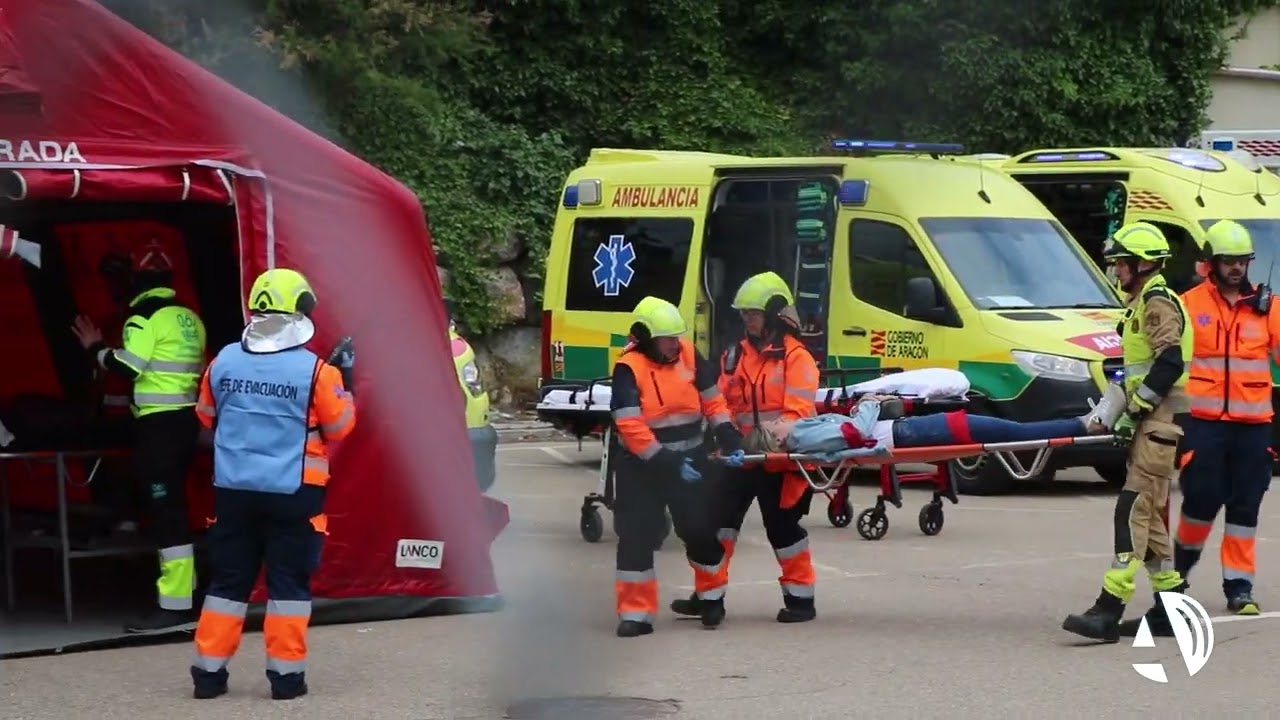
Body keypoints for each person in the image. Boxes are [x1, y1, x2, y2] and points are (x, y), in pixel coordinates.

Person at [189, 268, 356, 700]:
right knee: (287, 587)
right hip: (293, 496)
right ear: (301, 312)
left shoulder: (224, 360)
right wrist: (346, 385)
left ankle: (208, 677)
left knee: (227, 585)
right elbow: (338, 427)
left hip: (233, 493)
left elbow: (206, 415)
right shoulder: (318, 371)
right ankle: (286, 681)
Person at [1061, 222, 1195, 643]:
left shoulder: (1156, 302)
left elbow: (1169, 360)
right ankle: (1173, 609)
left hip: (1159, 423)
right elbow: (1135, 370)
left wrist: (1135, 409)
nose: (1116, 270)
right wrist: (1115, 410)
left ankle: (1108, 608)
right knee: (1149, 517)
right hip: (1151, 422)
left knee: (1132, 510)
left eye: (1121, 263)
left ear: (1142, 263)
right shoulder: (1141, 304)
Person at [670, 271, 822, 624]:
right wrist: (718, 436)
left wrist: (751, 441)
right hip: (740, 458)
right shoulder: (735, 356)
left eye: (751, 313)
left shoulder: (796, 358)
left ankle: (801, 600)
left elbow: (795, 415)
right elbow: (719, 402)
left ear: (772, 314)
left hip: (780, 460)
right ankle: (709, 596)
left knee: (783, 529)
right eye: (743, 314)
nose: (745, 320)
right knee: (718, 525)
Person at [71, 240, 208, 633]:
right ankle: (189, 594)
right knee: (176, 508)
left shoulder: (141, 317)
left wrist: (95, 348)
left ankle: (175, 604)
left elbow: (127, 368)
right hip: (185, 422)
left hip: (157, 427)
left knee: (167, 514)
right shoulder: (189, 318)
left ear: (135, 281)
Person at [1160, 219, 1280, 622]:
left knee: (1245, 509)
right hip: (1202, 423)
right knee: (1201, 501)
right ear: (1209, 263)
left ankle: (1239, 587)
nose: (1236, 268)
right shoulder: (1189, 305)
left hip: (1254, 427)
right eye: (1228, 261)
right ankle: (1179, 575)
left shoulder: (1269, 308)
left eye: (1242, 261)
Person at [610, 295, 743, 637]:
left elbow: (713, 399)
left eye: (676, 336)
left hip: (691, 461)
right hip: (642, 467)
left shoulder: (687, 353)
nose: (676, 343)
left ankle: (712, 598)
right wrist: (665, 460)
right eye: (668, 338)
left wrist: (728, 435)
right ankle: (636, 614)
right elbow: (629, 424)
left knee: (699, 530)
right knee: (636, 536)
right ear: (646, 337)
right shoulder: (629, 368)